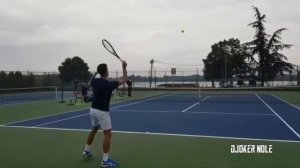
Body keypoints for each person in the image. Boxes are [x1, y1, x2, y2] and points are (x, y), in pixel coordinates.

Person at [82, 61, 127, 168]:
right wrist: (124, 67)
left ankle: (86, 151)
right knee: (108, 134)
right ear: (105, 71)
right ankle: (105, 161)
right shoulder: (109, 85)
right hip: (102, 112)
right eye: (107, 68)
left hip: (93, 110)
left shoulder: (94, 81)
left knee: (94, 129)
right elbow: (125, 79)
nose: (108, 70)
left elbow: (93, 77)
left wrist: (96, 72)